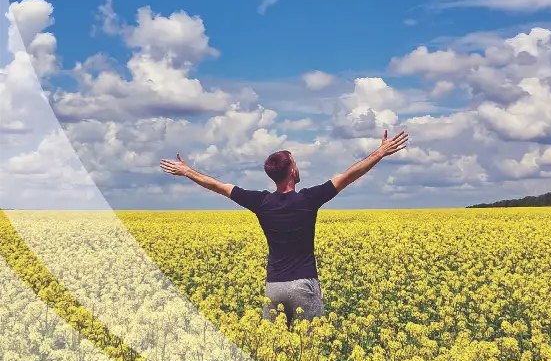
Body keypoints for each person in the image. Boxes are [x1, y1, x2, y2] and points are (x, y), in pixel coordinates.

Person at [159, 129, 409, 325]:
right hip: (303, 286)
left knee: (276, 353)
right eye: (295, 162)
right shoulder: (308, 199)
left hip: (274, 287)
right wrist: (379, 153)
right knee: (309, 350)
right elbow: (349, 175)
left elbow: (218, 186)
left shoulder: (260, 202)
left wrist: (187, 171)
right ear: (292, 171)